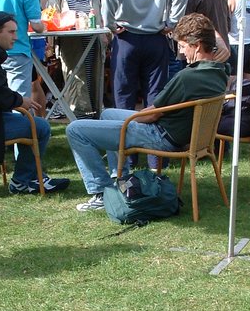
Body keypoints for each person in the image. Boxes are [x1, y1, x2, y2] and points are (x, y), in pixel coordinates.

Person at [66, 13, 228, 212]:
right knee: (108, 114)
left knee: (75, 129)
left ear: (197, 45)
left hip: (162, 136)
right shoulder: (220, 72)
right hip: (182, 133)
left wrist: (134, 118)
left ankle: (101, 192)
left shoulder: (187, 78)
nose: (181, 52)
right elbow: (219, 46)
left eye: (184, 46)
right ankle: (121, 180)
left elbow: (151, 115)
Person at [0, 11, 70, 195]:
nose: (16, 37)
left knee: (30, 123)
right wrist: (20, 101)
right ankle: (24, 180)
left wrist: (15, 100)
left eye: (16, 32)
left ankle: (29, 176)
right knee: (40, 127)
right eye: (11, 32)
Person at [100, 0, 188, 119]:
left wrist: (110, 23)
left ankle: (123, 146)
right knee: (154, 100)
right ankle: (152, 147)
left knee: (123, 98)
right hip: (156, 39)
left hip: (126, 38)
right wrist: (172, 22)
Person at [47, 0, 104, 119]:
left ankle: (95, 117)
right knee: (76, 81)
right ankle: (81, 117)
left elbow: (98, 19)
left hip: (92, 43)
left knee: (93, 78)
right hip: (71, 45)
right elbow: (53, 19)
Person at [18, 0, 49, 117]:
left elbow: (40, 17)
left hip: (35, 38)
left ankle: (40, 118)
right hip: (30, 38)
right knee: (33, 83)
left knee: (34, 83)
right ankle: (38, 119)